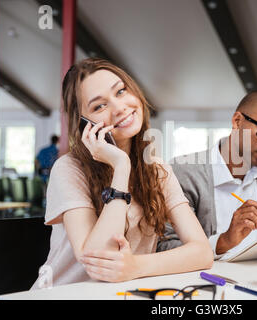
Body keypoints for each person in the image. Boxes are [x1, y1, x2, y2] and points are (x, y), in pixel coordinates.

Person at [31, 58, 212, 288]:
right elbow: (99, 260)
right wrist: (121, 167)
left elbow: (202, 253)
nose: (119, 108)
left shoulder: (157, 169)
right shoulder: (68, 168)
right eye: (99, 106)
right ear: (83, 123)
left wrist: (135, 266)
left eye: (121, 91)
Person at [157, 90, 257, 259]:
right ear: (237, 122)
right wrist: (223, 242)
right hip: (207, 282)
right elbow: (163, 246)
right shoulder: (183, 171)